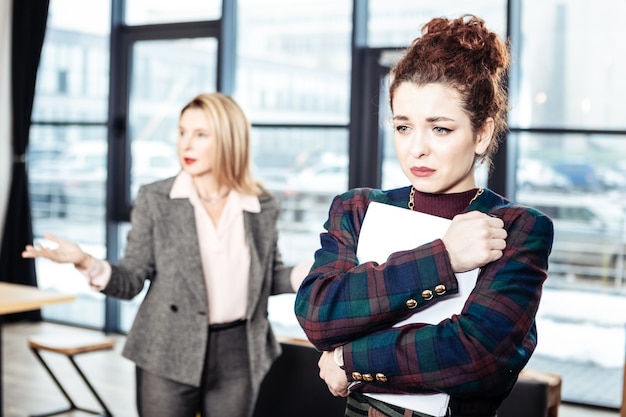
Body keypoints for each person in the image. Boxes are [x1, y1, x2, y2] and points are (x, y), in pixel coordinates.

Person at [294, 15, 554, 417]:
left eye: (440, 129)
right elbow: (318, 313)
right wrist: (444, 258)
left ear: (481, 133)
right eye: (403, 127)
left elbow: (477, 356)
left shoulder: (516, 227)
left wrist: (348, 359)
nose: (417, 149)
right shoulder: (359, 209)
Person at [23, 92, 312, 417]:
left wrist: (310, 271)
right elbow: (131, 278)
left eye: (201, 135)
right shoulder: (155, 199)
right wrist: (84, 261)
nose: (186, 144)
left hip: (239, 352)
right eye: (182, 132)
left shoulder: (261, 205)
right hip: (167, 347)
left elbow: (265, 277)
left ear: (230, 140)